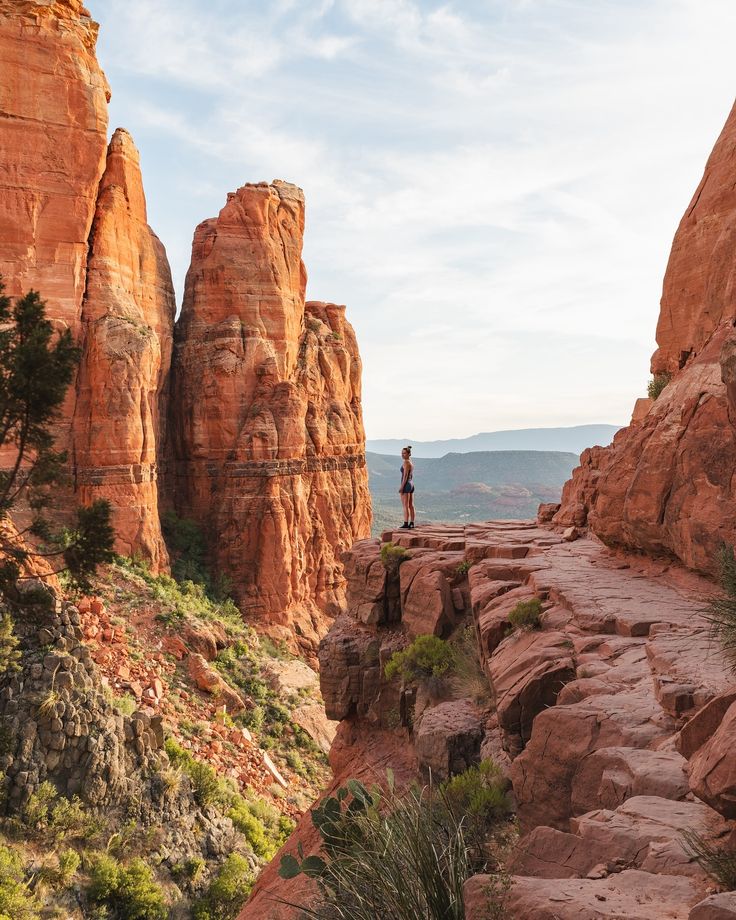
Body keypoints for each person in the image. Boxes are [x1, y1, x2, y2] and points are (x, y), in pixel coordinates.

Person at [398, 445, 415, 529]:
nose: (402, 455)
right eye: (402, 453)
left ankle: (405, 523)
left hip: (406, 484)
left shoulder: (406, 463)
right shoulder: (410, 462)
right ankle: (411, 523)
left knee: (405, 505)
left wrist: (401, 487)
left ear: (409, 454)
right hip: (411, 484)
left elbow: (405, 476)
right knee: (411, 505)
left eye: (404, 453)